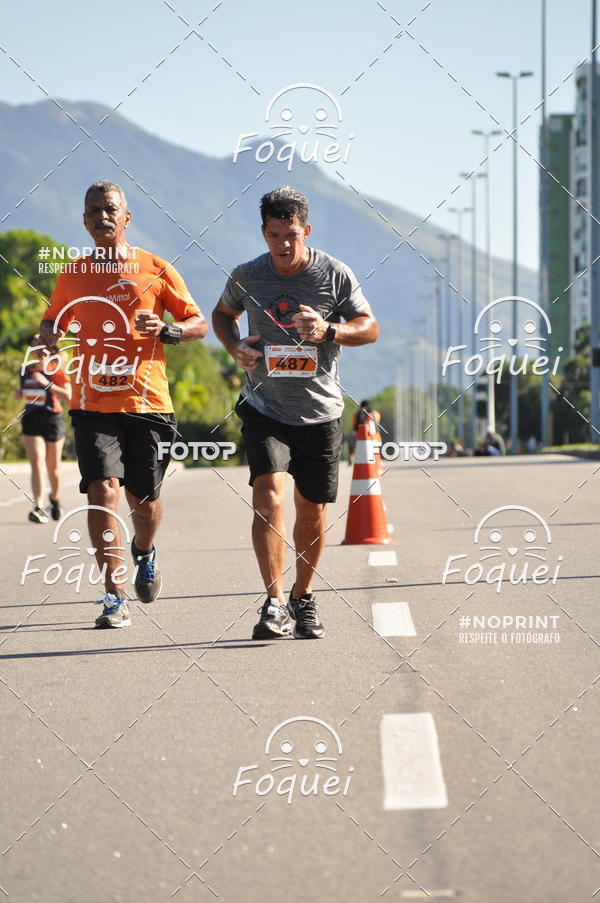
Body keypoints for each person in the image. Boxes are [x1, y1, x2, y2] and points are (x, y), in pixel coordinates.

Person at [212, 186, 378, 641]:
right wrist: (235, 347)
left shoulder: (334, 274)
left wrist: (329, 330)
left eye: (291, 235)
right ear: (263, 233)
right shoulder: (248, 275)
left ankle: (303, 597)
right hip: (264, 406)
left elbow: (370, 327)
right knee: (268, 495)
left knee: (312, 509)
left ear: (307, 230)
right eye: (273, 235)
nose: (283, 245)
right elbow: (222, 314)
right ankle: (274, 602)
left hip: (320, 411)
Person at [39, 180, 207, 628]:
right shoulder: (73, 274)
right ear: (84, 220)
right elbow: (52, 320)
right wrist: (50, 333)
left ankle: (144, 551)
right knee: (102, 491)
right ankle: (114, 595)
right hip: (92, 403)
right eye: (93, 210)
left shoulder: (155, 268)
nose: (102, 217)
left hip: (148, 403)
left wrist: (168, 330)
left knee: (143, 502)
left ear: (126, 217)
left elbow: (198, 322)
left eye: (110, 209)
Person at [17, 338, 71, 523]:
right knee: (37, 464)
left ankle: (55, 500)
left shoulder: (56, 370)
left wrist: (46, 383)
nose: (37, 350)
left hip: (52, 420)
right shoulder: (25, 370)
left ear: (51, 351)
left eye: (42, 347)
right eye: (34, 346)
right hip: (31, 419)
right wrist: (20, 393)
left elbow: (69, 396)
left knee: (53, 468)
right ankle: (39, 507)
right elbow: (27, 392)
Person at [350, 399, 381, 465]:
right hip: (375, 437)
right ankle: (377, 461)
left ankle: (351, 457)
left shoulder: (356, 414)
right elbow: (377, 423)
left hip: (360, 437)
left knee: (351, 438)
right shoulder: (376, 413)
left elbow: (354, 425)